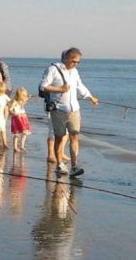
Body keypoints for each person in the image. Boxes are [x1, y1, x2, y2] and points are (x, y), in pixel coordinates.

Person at [39, 47, 99, 178]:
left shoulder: (75, 72)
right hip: (59, 109)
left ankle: (74, 165)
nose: (76, 64)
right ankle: (60, 164)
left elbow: (80, 86)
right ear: (66, 58)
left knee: (74, 136)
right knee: (59, 138)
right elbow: (43, 86)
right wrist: (60, 89)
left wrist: (90, 97)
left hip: (74, 109)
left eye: (78, 62)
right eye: (74, 61)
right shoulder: (53, 69)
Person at [10, 87, 31, 152]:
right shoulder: (15, 102)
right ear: (20, 96)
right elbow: (10, 109)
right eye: (24, 96)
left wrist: (28, 98)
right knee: (16, 133)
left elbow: (27, 99)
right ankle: (15, 147)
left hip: (23, 117)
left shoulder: (23, 101)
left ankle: (22, 146)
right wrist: (14, 113)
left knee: (25, 132)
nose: (25, 97)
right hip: (17, 118)